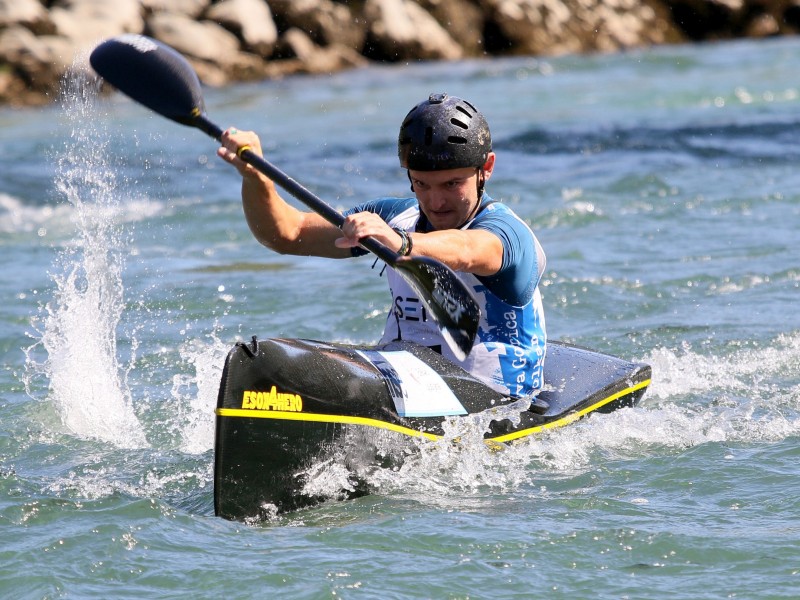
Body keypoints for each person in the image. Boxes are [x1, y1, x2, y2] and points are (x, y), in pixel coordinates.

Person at [217, 93, 547, 399]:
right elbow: (288, 234)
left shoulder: (507, 234)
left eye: (452, 184)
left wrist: (402, 244)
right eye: (421, 183)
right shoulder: (395, 217)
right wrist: (255, 177)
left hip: (495, 403)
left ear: (485, 169)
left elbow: (467, 249)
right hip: (406, 379)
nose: (435, 201)